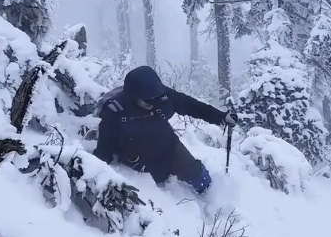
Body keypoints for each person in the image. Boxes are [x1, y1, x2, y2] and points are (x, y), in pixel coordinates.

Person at [93, 65, 237, 193]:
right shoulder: (116, 110)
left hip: (168, 144)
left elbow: (192, 106)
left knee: (197, 174)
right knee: (155, 183)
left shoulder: (164, 97)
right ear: (133, 96)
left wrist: (221, 117)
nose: (154, 103)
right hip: (136, 157)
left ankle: (212, 200)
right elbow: (105, 145)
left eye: (157, 99)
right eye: (148, 100)